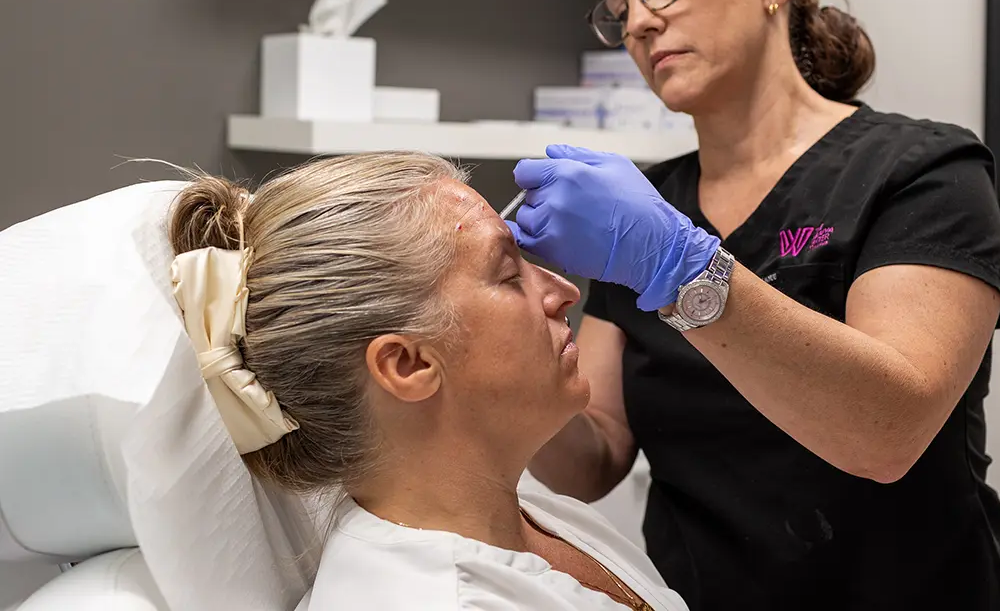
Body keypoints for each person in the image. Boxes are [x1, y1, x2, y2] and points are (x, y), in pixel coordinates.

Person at [512, 0, 1000, 610]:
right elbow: (595, 456)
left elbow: (890, 431)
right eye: (620, 6)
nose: (639, 24)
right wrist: (506, 363)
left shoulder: (922, 170)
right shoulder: (648, 206)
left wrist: (680, 266)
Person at [166, 152, 688, 611]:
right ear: (407, 365)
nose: (562, 292)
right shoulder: (440, 599)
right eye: (509, 274)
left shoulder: (528, 516)